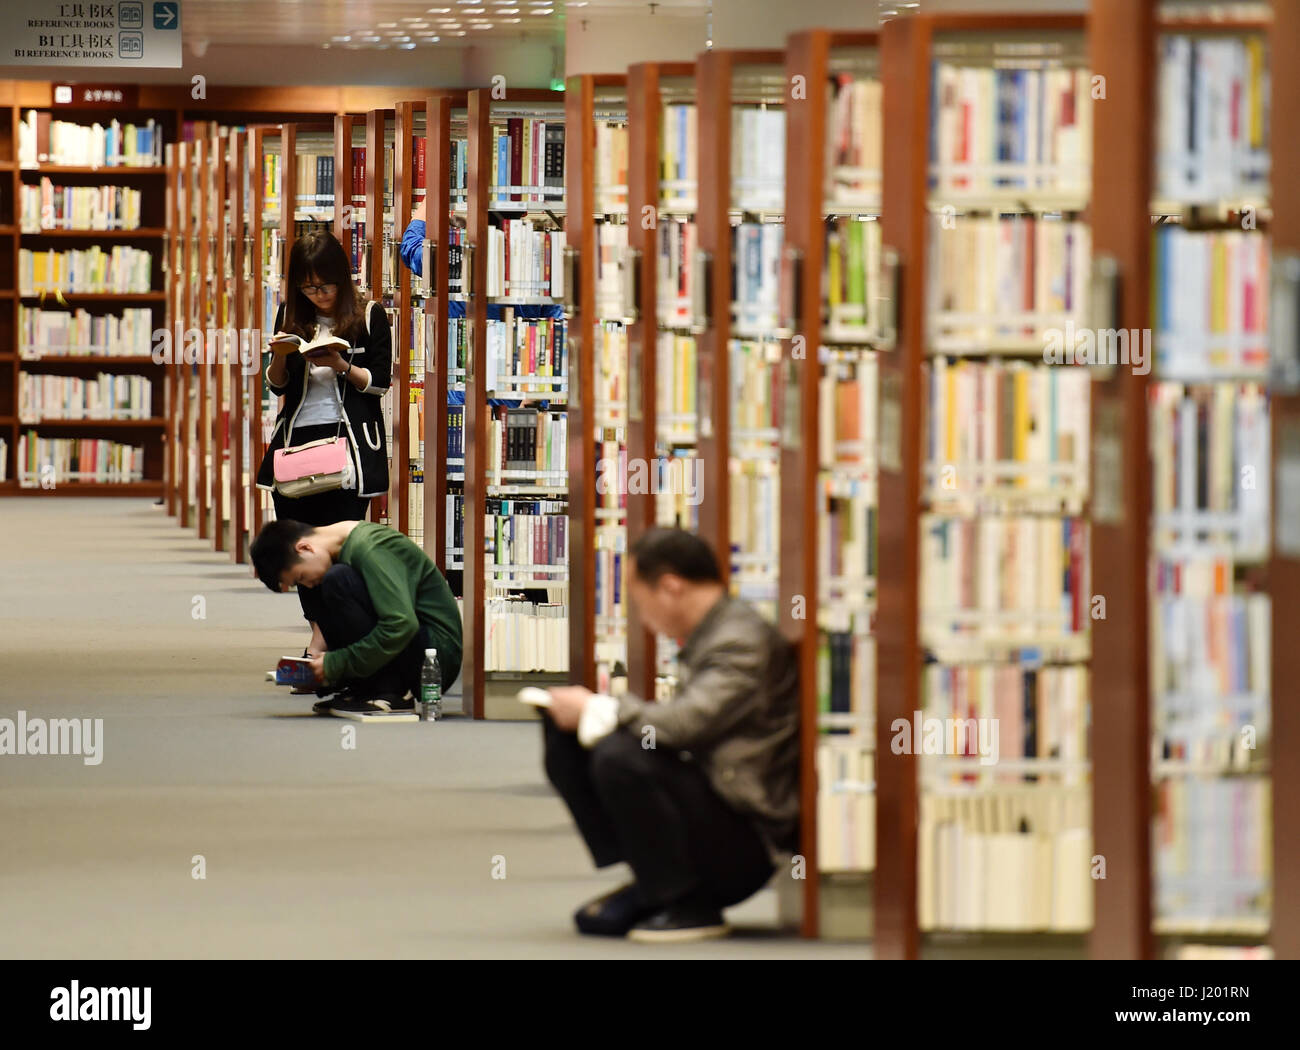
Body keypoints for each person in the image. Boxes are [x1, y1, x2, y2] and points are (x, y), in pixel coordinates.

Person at [542, 528, 800, 943]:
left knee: (620, 755)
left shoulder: (739, 641)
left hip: (747, 841)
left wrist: (599, 707)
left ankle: (689, 903)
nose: (639, 614)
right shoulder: (715, 633)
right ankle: (653, 878)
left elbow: (684, 724)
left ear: (670, 587)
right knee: (568, 741)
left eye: (638, 598)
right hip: (716, 804)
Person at [251, 518, 463, 716]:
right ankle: (367, 688)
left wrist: (337, 664)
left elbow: (401, 624)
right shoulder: (342, 551)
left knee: (336, 579)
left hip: (435, 658)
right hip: (413, 644)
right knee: (325, 584)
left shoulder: (371, 547)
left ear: (305, 548)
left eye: (301, 577)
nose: (307, 583)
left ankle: (391, 692)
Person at [255, 229, 392, 527]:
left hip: (349, 441)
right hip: (298, 439)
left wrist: (340, 365)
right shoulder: (289, 314)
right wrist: (278, 354)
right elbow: (278, 386)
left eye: (325, 286)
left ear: (341, 276)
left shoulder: (370, 315)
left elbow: (380, 382)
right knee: (297, 544)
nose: (319, 295)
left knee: (340, 543)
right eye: (309, 288)